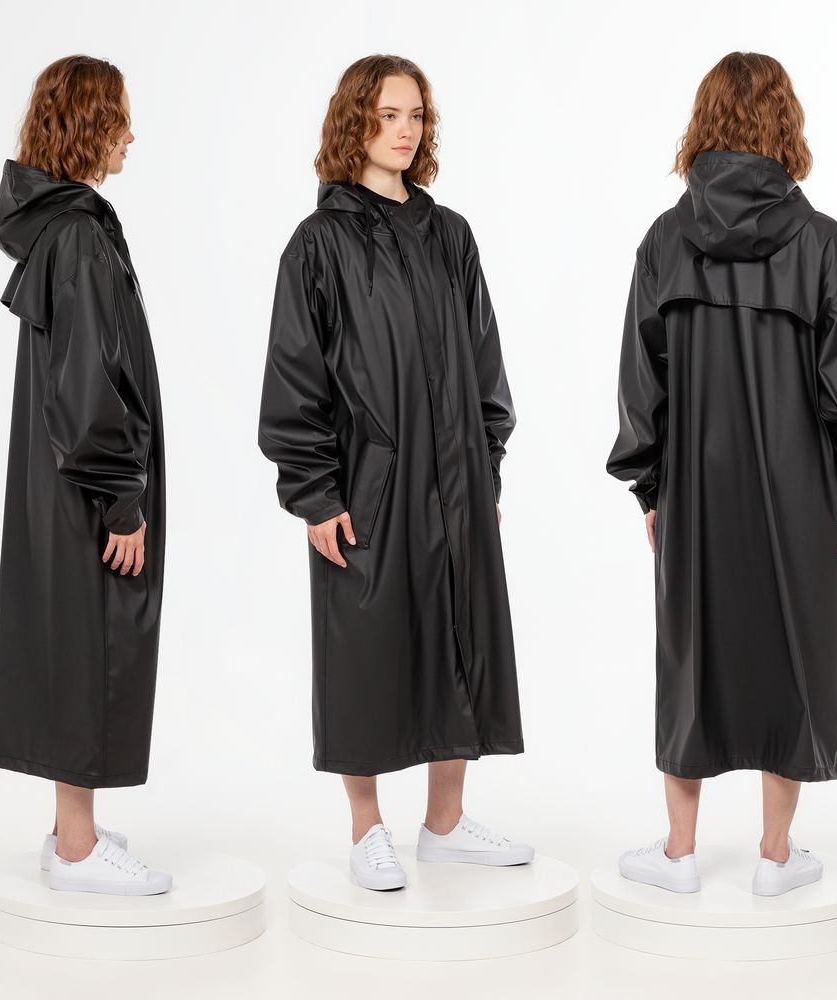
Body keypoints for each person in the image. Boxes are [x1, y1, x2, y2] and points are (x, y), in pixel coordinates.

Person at [606, 52, 837, 897]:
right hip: (799, 492)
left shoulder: (665, 241)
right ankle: (774, 855)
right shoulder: (825, 245)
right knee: (793, 650)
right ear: (785, 124)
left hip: (695, 490)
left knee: (689, 652)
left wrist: (651, 486)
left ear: (704, 123)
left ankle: (679, 853)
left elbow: (642, 384)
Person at [259, 55, 533, 891]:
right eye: (387, 115)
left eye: (415, 115)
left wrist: (484, 471)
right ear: (355, 122)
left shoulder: (451, 236)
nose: (405, 130)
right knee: (365, 654)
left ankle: (445, 823)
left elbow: (485, 367)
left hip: (456, 483)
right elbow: (295, 379)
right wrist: (315, 493)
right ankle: (366, 828)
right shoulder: (320, 244)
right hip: (369, 488)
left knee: (460, 641)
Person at [0, 55, 171, 895]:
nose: (131, 135)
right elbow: (92, 388)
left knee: (74, 641)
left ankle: (73, 828)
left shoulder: (60, 230)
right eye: (119, 118)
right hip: (87, 492)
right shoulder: (81, 237)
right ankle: (76, 850)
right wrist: (123, 502)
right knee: (92, 645)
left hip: (60, 483)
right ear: (88, 124)